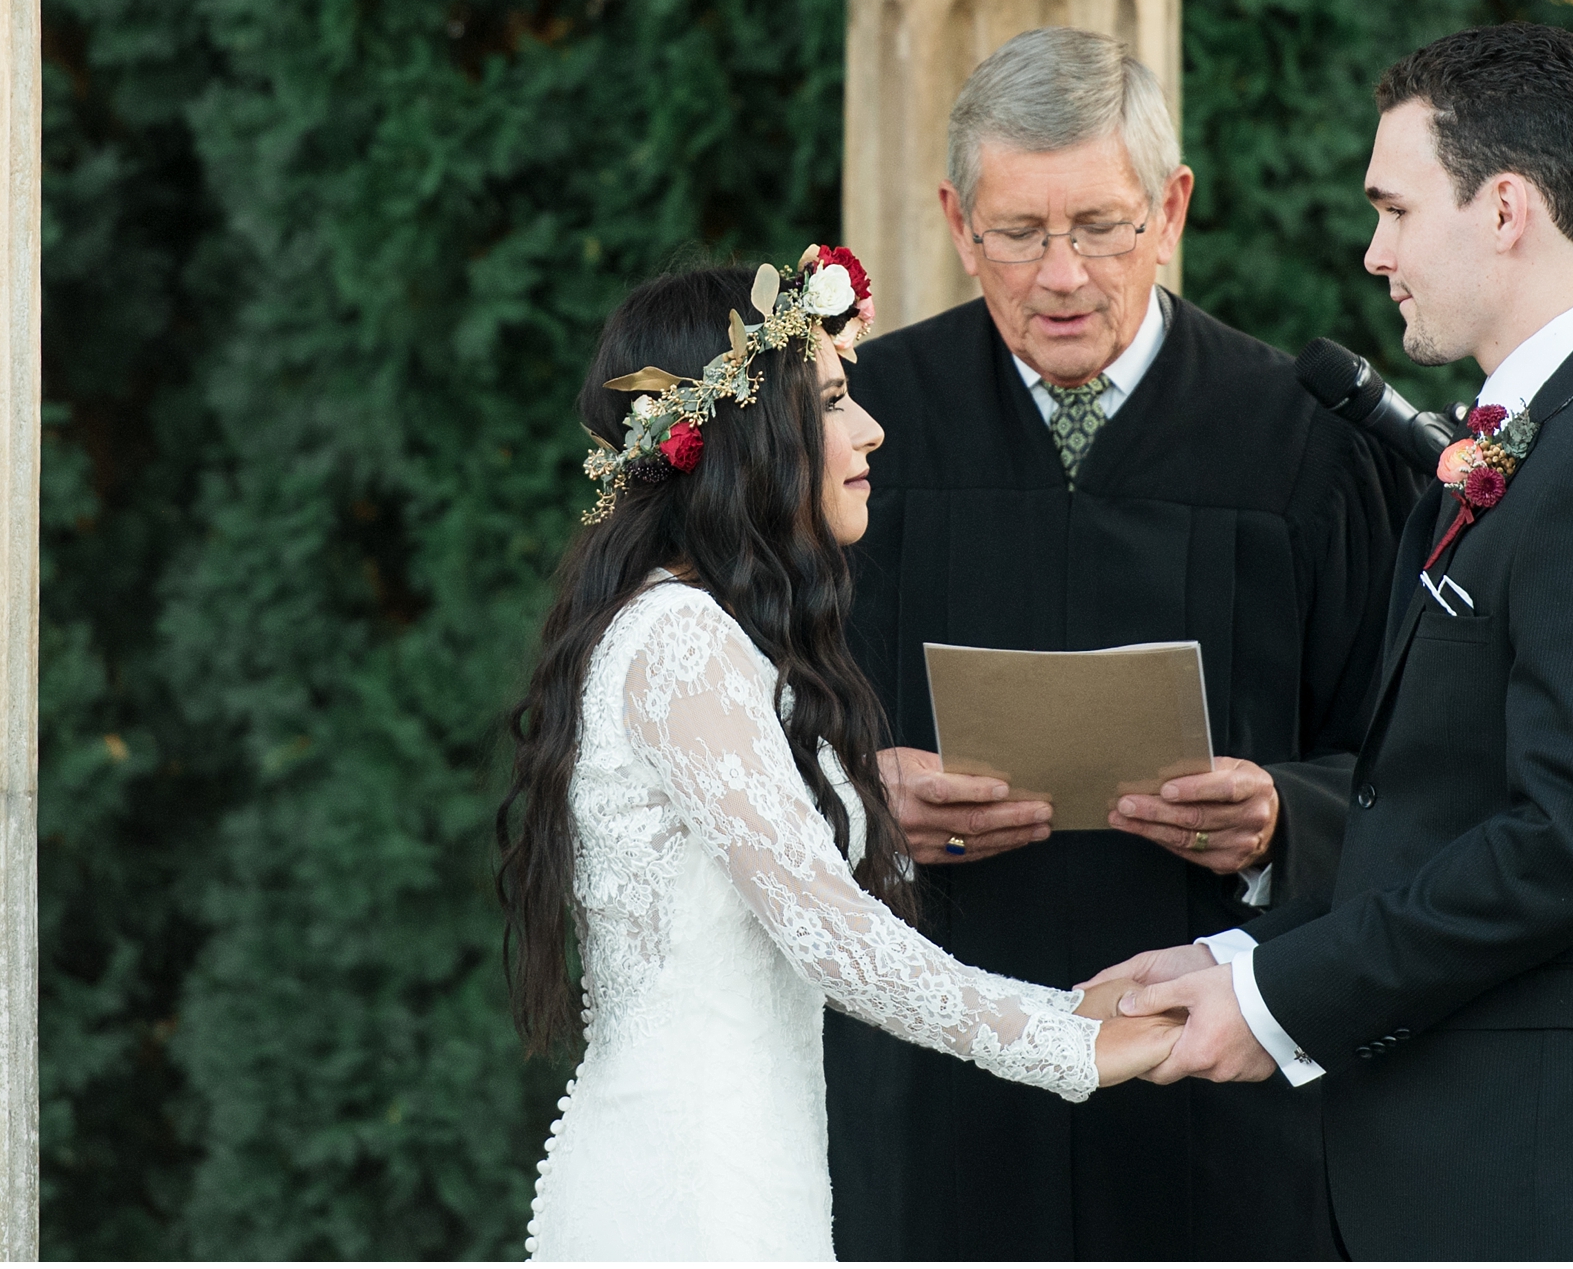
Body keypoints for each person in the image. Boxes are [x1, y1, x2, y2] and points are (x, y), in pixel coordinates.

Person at [1097, 22, 1573, 1260]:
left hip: (1549, 1181)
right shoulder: (1550, 433)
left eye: (1396, 210)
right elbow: (1447, 806)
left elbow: (1568, 845)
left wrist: (1274, 999)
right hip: (1475, 1162)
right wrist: (1235, 951)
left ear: (1504, 207)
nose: (1374, 251)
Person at [828, 28, 1422, 1260]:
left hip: (1211, 1097)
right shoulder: (855, 430)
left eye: (1099, 225)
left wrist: (1281, 817)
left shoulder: (1305, 447)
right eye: (1017, 231)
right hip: (932, 1086)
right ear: (953, 218)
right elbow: (745, 726)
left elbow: (1410, 764)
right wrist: (854, 793)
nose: (1060, 273)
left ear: (1171, 208)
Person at [495, 255, 1182, 1262]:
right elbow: (831, 938)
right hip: (691, 1194)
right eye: (830, 400)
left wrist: (1068, 996)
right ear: (742, 435)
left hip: (743, 1166)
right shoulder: (680, 639)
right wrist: (1070, 1044)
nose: (869, 430)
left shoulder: (695, 631)